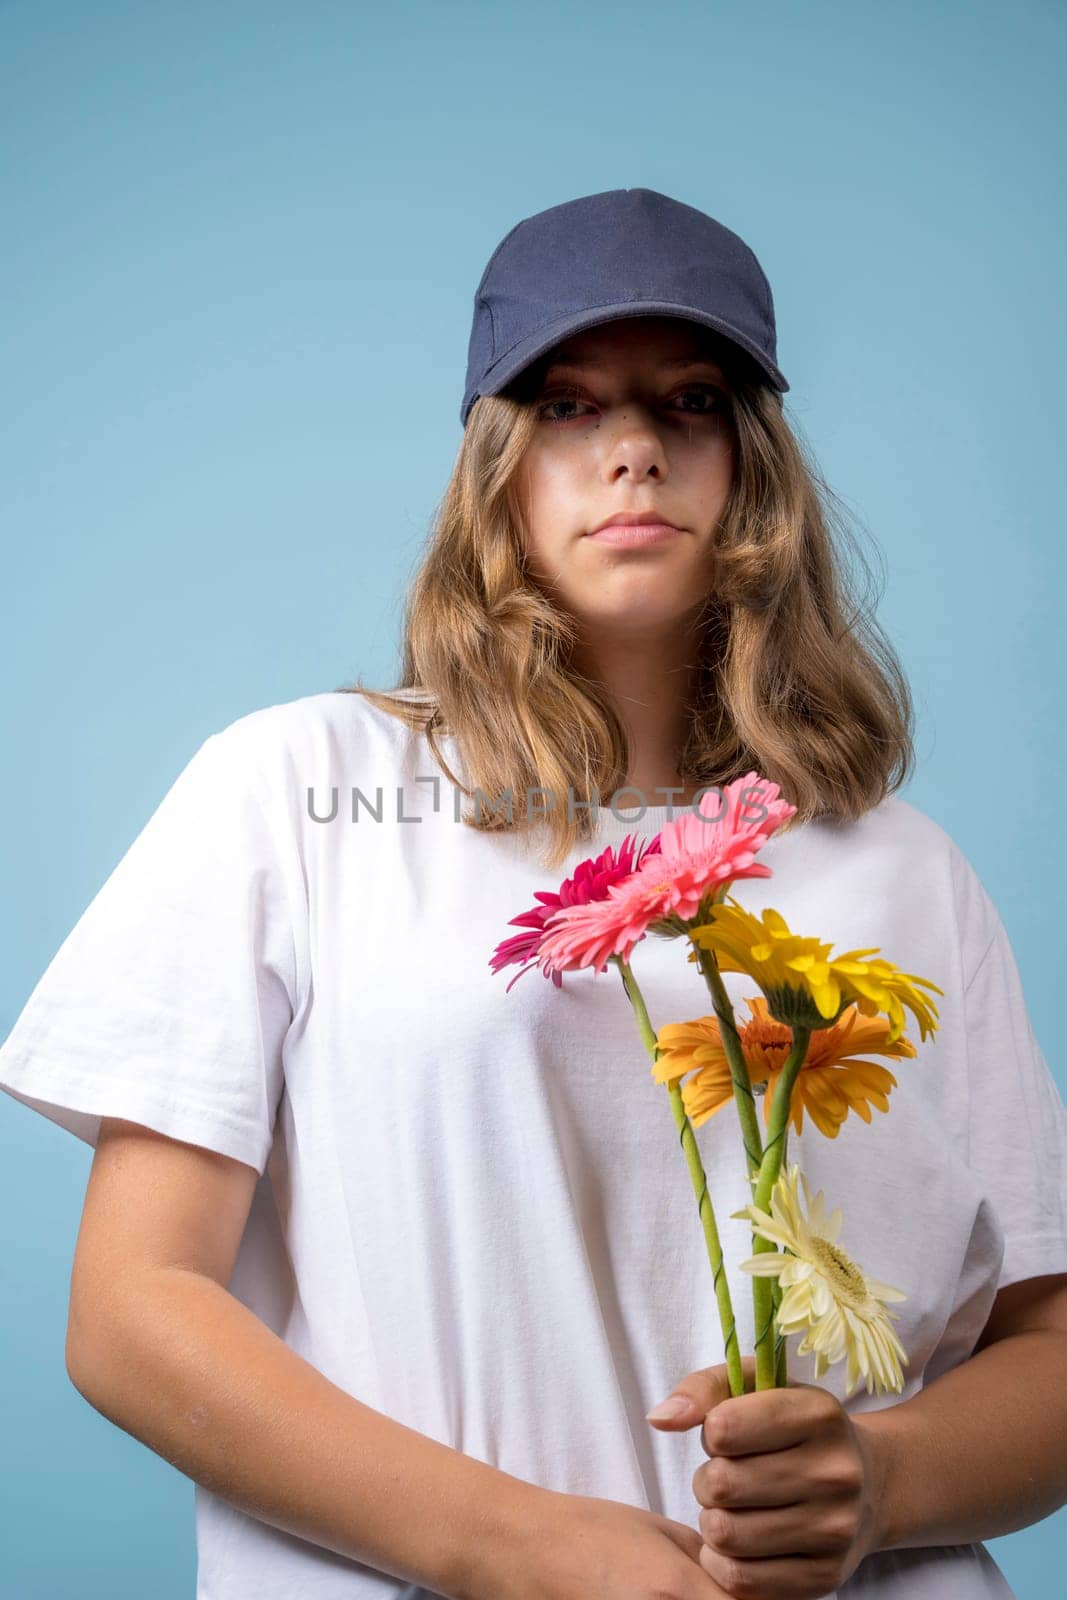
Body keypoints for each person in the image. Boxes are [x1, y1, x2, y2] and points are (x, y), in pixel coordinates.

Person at [1, 186, 1065, 1600]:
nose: (633, 451)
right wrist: (511, 1544)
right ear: (496, 468)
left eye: (690, 402)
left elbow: (1048, 1353)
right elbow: (133, 1314)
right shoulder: (295, 790)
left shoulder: (903, 866)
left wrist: (878, 1484)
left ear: (756, 469)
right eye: (568, 407)